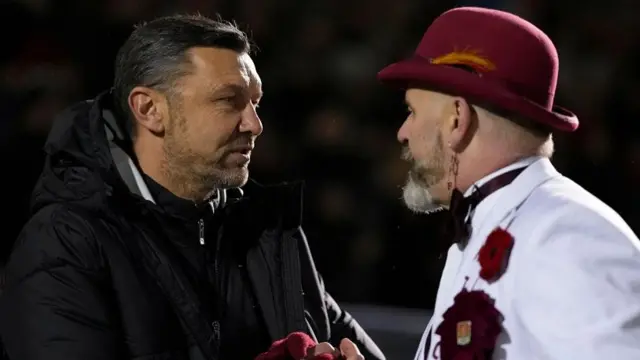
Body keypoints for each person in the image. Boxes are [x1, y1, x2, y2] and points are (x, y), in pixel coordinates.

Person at [0, 14, 384, 360]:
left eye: (255, 103)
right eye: (228, 101)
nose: (254, 124)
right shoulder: (66, 242)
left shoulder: (270, 233)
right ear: (150, 110)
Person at [377, 6, 640, 360]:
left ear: (457, 119)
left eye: (412, 112)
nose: (402, 132)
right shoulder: (488, 224)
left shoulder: (567, 234)